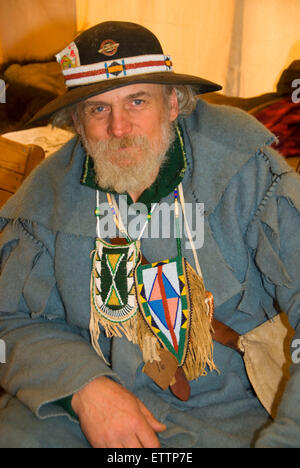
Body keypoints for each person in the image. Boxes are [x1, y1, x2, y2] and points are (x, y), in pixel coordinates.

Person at [0, 21, 300, 449]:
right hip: (84, 407)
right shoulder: (44, 200)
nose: (119, 128)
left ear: (174, 103)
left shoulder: (247, 169)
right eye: (98, 110)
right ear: (77, 124)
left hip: (232, 412)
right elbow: (10, 321)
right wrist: (85, 389)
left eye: (137, 101)